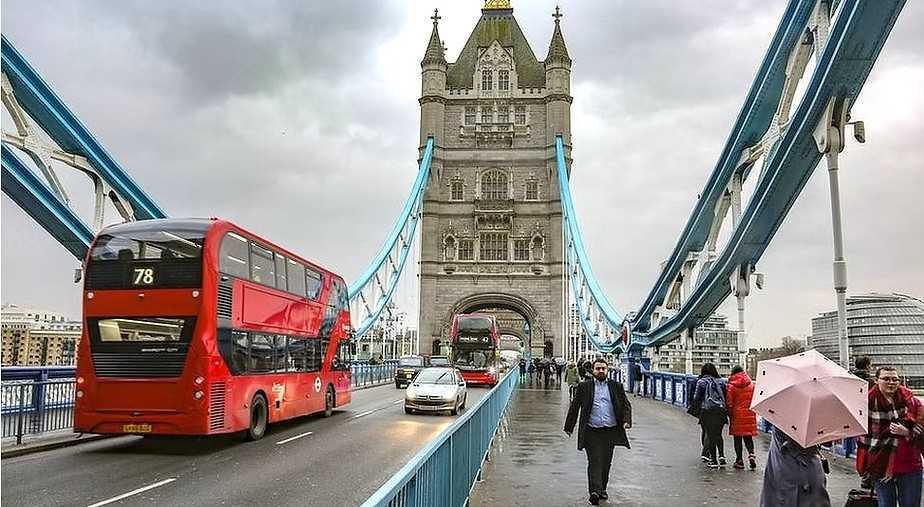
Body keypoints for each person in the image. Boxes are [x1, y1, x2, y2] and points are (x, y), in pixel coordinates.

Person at [563, 358, 632, 505]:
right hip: (591, 431)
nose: (600, 371)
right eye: (598, 368)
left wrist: (626, 421)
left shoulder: (616, 386)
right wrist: (569, 427)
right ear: (592, 370)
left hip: (610, 430)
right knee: (595, 461)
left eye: (603, 369)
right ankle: (594, 491)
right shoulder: (584, 387)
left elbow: (626, 405)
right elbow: (575, 407)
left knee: (606, 462)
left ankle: (602, 489)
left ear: (607, 370)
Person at [856, 366, 922, 507]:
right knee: (886, 504)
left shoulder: (912, 402)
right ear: (876, 380)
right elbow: (862, 437)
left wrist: (907, 432)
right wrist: (866, 467)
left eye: (895, 379)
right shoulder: (865, 403)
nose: (891, 382)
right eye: (886, 379)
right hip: (880, 464)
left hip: (910, 465)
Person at [760, 426, 831, 506]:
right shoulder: (814, 419)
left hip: (786, 470)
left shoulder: (782, 420)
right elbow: (827, 443)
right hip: (808, 471)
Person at [693, 363, 728, 468]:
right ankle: (722, 456)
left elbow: (697, 397)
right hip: (720, 411)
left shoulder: (701, 382)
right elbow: (725, 396)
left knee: (710, 434)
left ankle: (713, 460)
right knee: (718, 434)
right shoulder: (721, 382)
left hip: (707, 411)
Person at [726, 365, 758, 470]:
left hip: (737, 414)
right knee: (748, 437)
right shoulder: (751, 385)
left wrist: (729, 415)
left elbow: (729, 403)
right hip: (749, 413)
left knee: (738, 438)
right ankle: (751, 455)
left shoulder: (731, 386)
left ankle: (739, 460)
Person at [843, 355, 875, 459]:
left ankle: (848, 451)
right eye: (870, 365)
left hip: (851, 407)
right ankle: (864, 454)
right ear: (866, 365)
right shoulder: (870, 381)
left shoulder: (849, 378)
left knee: (850, 429)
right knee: (866, 432)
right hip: (866, 409)